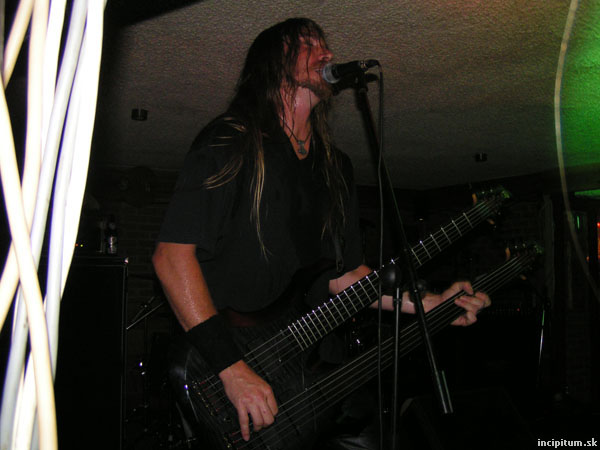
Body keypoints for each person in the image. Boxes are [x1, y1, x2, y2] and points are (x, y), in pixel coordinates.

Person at [152, 17, 490, 446]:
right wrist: (232, 369)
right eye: (308, 44)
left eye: (325, 45)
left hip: (302, 362)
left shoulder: (335, 167)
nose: (327, 53)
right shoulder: (231, 140)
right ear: (273, 60)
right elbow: (171, 257)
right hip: (226, 358)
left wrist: (431, 304)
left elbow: (345, 276)